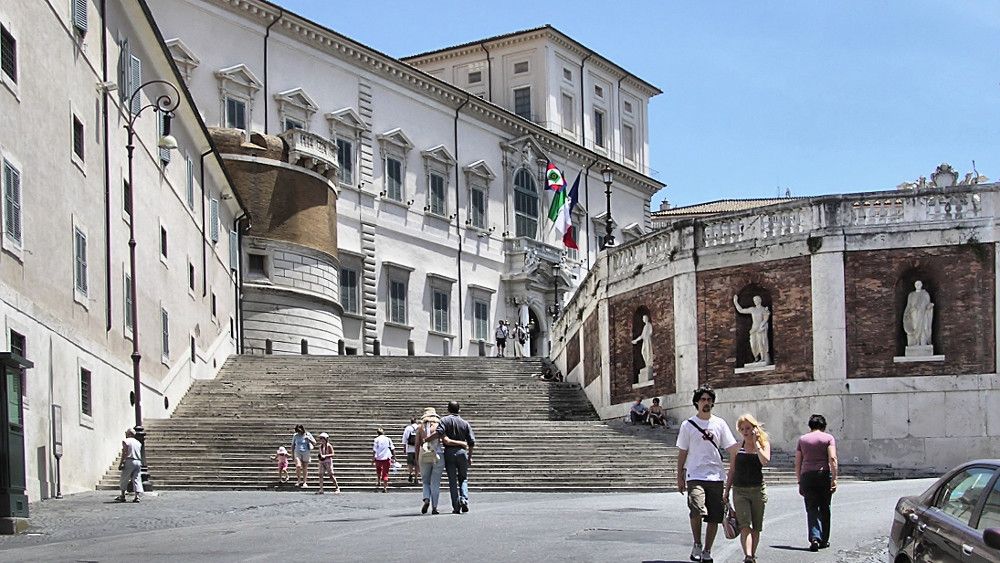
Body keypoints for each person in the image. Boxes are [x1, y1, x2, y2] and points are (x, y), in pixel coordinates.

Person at [676, 386, 738, 563]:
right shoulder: (687, 425)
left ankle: (707, 550)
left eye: (709, 400)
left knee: (715, 516)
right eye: (703, 399)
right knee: (696, 508)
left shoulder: (720, 423)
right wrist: (679, 476)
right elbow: (682, 452)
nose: (707, 403)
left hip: (716, 476)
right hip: (695, 475)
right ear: (696, 402)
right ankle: (697, 543)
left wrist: (750, 441)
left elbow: (732, 447)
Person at [725, 414, 771, 563]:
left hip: (757, 490)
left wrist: (757, 444)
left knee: (756, 526)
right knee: (744, 525)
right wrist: (726, 491)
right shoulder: (737, 448)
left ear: (754, 428)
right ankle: (748, 556)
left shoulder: (764, 445)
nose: (745, 431)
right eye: (742, 429)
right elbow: (732, 470)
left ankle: (752, 553)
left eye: (748, 428)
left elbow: (764, 461)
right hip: (740, 490)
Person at [795, 413, 838, 552]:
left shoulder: (802, 440)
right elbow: (832, 458)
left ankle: (814, 537)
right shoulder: (828, 438)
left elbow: (798, 462)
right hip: (823, 474)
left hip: (807, 476)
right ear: (823, 426)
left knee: (812, 508)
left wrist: (799, 480)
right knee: (825, 507)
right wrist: (834, 478)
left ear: (810, 425)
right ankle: (824, 540)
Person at [439, 400, 476, 514]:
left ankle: (456, 506)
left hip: (449, 452)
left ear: (448, 409)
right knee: (463, 478)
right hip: (462, 453)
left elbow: (440, 434)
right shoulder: (465, 423)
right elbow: (471, 442)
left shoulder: (444, 420)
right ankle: (464, 499)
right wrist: (469, 456)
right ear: (459, 410)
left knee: (452, 480)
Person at [416, 406, 445, 514]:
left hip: (424, 454)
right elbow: (444, 440)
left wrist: (416, 458)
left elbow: (417, 444)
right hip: (437, 454)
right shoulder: (438, 426)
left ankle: (426, 498)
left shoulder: (420, 427)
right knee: (435, 482)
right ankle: (435, 507)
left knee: (425, 481)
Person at [733, 295, 771, 366]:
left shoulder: (764, 309)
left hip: (760, 329)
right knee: (753, 345)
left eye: (757, 300)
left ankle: (763, 358)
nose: (755, 301)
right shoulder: (752, 309)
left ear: (760, 300)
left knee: (761, 344)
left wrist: (762, 325)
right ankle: (756, 358)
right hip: (753, 329)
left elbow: (765, 319)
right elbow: (741, 310)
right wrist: (735, 302)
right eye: (754, 300)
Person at [115, 428, 143, 503]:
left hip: (129, 460)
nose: (125, 434)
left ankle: (122, 495)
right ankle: (137, 496)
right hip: (138, 461)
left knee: (124, 478)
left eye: (126, 433)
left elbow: (125, 453)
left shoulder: (126, 441)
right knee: (137, 479)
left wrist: (121, 463)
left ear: (129, 434)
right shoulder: (138, 442)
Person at [903, 280, 934, 347]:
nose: (918, 285)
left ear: (921, 285)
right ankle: (915, 342)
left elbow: (928, 305)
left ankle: (923, 342)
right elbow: (909, 305)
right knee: (914, 327)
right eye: (916, 284)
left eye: (919, 284)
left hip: (923, 314)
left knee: (923, 328)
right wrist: (906, 313)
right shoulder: (911, 295)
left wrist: (929, 307)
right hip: (914, 314)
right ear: (914, 285)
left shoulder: (925, 294)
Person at [372, 427, 395, 493]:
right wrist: (394, 457)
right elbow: (392, 448)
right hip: (386, 457)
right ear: (383, 432)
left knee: (378, 470)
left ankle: (379, 481)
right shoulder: (388, 439)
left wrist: (373, 458)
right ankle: (385, 488)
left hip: (378, 457)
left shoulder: (376, 439)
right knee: (385, 473)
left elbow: (374, 449)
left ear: (377, 433)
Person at [402, 417, 420, 484]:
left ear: (411, 422)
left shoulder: (408, 428)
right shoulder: (419, 427)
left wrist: (404, 448)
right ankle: (416, 477)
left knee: (410, 463)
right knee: (417, 464)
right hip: (418, 449)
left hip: (409, 448)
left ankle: (410, 473)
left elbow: (405, 438)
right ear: (416, 421)